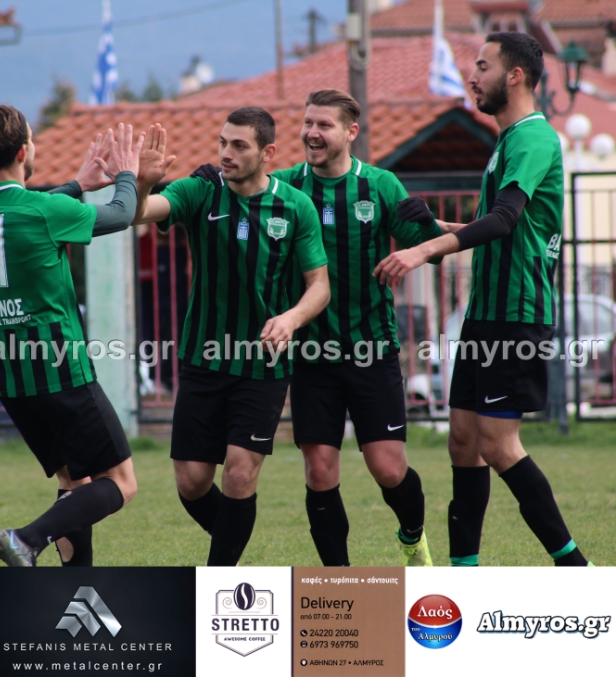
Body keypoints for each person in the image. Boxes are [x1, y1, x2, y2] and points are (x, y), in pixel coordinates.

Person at [193, 90, 443, 567]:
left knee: (388, 468)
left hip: (371, 347)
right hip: (310, 353)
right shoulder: (284, 185)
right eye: (308, 123)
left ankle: (413, 539)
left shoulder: (380, 185)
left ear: (351, 132)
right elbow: (237, 193)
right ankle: (339, 578)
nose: (312, 132)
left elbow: (428, 249)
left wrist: (429, 225)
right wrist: (209, 182)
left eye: (324, 125)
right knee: (320, 471)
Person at [374, 33, 590, 566]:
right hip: (485, 314)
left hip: (516, 314)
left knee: (497, 444)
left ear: (515, 76)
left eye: (482, 65)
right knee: (464, 443)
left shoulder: (533, 137)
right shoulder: (507, 140)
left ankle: (576, 567)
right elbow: (493, 229)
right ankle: (463, 575)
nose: (472, 76)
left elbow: (504, 220)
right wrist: (434, 226)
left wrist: (424, 249)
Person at [133, 108, 330, 566]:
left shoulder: (295, 206)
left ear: (267, 153)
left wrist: (291, 319)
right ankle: (233, 543)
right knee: (191, 482)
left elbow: (319, 286)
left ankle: (218, 581)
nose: (226, 153)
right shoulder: (200, 190)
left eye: (239, 145)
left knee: (240, 474)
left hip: (262, 365)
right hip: (203, 358)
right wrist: (142, 184)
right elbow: (139, 214)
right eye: (223, 142)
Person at [0, 105, 140, 567]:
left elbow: (19, 215)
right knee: (120, 482)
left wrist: (75, 185)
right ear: (24, 151)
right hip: (59, 371)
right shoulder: (44, 211)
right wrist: (127, 174)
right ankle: (26, 538)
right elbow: (122, 214)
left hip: (8, 375)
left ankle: (75, 591)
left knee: (73, 482)